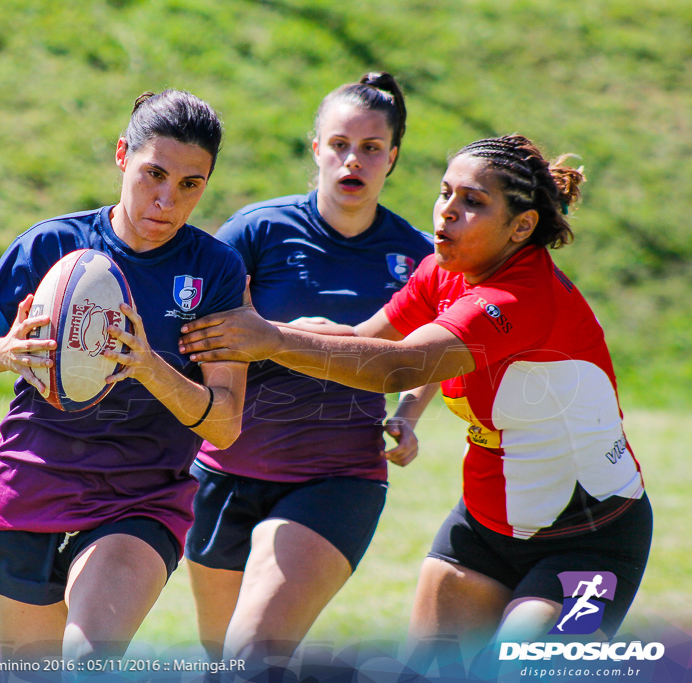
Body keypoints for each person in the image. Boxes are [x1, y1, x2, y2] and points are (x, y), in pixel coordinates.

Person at [178, 134, 652, 665]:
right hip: (483, 528)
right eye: (445, 193)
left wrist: (271, 339)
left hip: (589, 538)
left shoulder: (518, 297)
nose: (448, 212)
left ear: (522, 227)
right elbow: (368, 340)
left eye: (472, 202)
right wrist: (265, 331)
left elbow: (399, 366)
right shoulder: (442, 271)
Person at [0, 89, 248, 663]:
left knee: (88, 660)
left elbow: (224, 425)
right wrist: (6, 352)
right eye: (154, 174)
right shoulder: (52, 246)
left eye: (191, 184)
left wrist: (147, 366)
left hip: (138, 500)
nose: (167, 199)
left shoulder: (214, 271)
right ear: (122, 155)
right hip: (30, 487)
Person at [182, 73, 435, 667]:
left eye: (372, 148)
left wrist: (408, 412)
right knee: (223, 658)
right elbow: (196, 333)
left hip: (337, 478)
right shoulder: (257, 232)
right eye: (341, 143)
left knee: (253, 653)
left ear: (392, 157)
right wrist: (284, 343)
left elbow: (444, 342)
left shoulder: (418, 255)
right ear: (316, 147)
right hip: (224, 472)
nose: (355, 159)